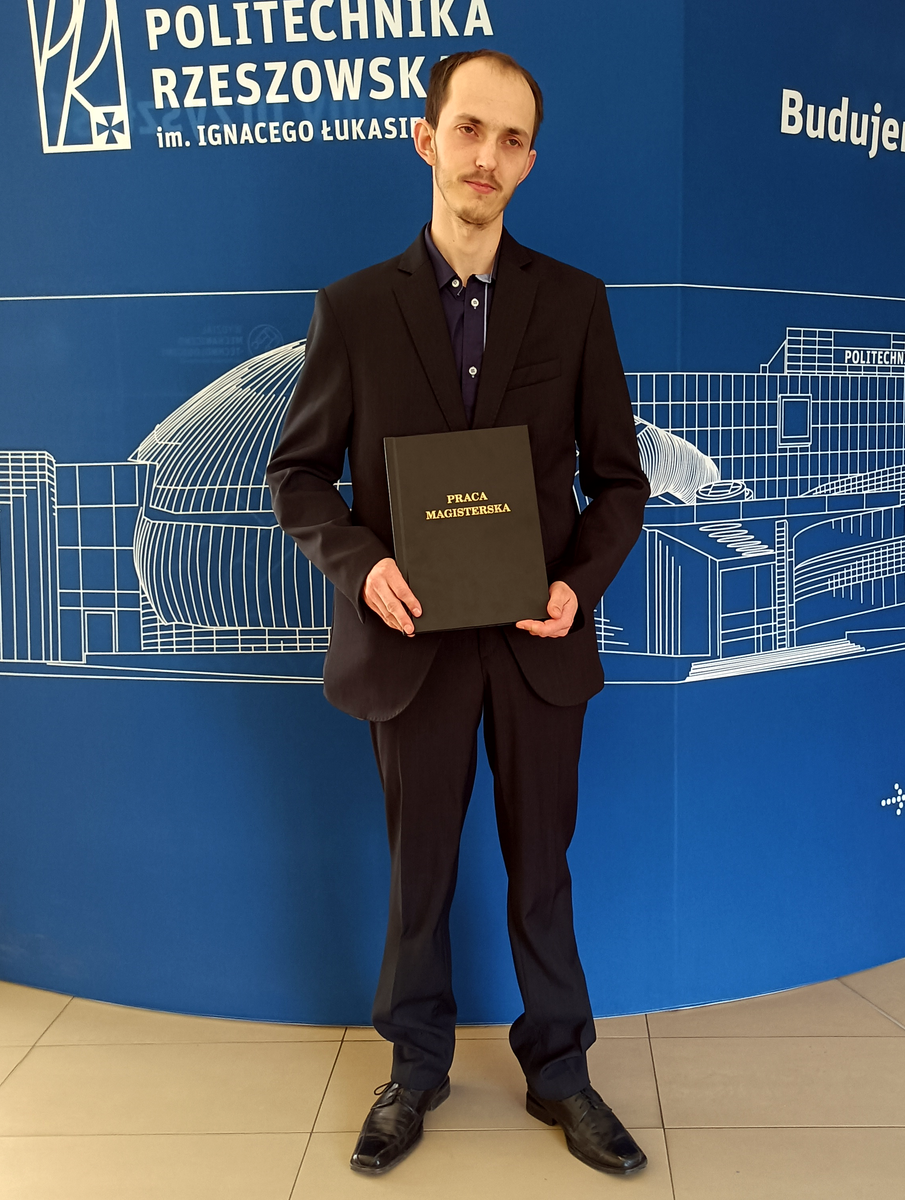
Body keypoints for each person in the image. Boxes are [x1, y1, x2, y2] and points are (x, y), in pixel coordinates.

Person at [266, 49, 649, 1177]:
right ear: (427, 139)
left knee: (543, 870)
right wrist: (360, 565)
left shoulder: (574, 304)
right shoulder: (352, 309)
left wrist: (578, 583)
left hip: (537, 641)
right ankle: (414, 1066)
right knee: (418, 870)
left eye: (512, 139)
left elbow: (618, 483)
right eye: (470, 130)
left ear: (528, 163)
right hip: (409, 645)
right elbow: (299, 477)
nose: (488, 156)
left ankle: (561, 1071)